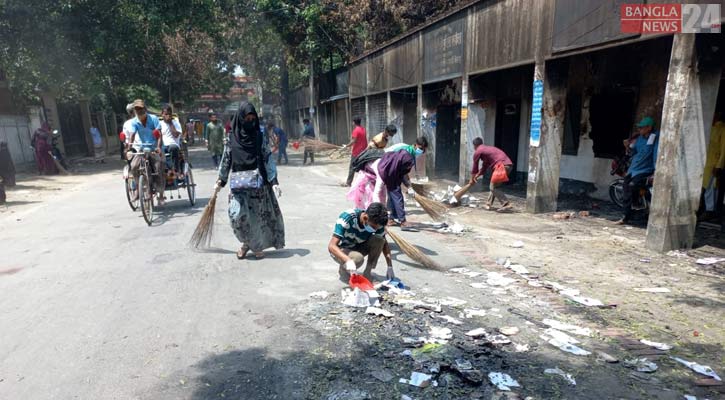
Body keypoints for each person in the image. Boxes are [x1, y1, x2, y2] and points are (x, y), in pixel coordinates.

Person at [217, 102, 285, 260]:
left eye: (252, 118)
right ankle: (248, 243)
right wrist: (221, 180)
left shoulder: (259, 136)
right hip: (238, 185)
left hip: (257, 185)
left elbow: (267, 157)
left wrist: (274, 181)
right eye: (247, 118)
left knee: (255, 219)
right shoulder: (231, 137)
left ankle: (254, 246)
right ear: (240, 118)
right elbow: (226, 159)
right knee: (237, 216)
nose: (250, 121)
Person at [328, 202, 395, 282]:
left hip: (359, 246)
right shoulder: (348, 217)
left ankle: (367, 273)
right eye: (373, 227)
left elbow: (384, 244)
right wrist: (347, 260)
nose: (375, 230)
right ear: (365, 218)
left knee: (379, 240)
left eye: (377, 228)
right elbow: (331, 246)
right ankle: (344, 271)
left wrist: (390, 266)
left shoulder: (377, 224)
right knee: (358, 259)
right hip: (342, 250)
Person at [616, 116, 659, 225]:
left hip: (645, 169)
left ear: (649, 128)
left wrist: (656, 170)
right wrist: (628, 147)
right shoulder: (640, 138)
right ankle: (625, 216)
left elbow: (656, 154)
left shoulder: (655, 137)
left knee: (632, 186)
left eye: (642, 128)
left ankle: (636, 208)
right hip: (633, 169)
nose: (639, 130)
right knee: (625, 189)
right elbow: (633, 152)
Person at [127, 99, 165, 205]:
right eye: (137, 109)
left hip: (155, 148)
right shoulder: (135, 121)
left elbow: (159, 135)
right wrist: (129, 147)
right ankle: (139, 190)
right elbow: (132, 135)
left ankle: (161, 195)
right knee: (134, 166)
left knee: (158, 168)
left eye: (141, 109)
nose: (139, 111)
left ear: (145, 109)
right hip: (143, 148)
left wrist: (158, 147)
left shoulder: (154, 119)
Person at [470, 138, 513, 211]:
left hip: (501, 166)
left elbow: (475, 167)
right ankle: (488, 204)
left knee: (492, 187)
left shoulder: (478, 151)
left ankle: (506, 204)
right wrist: (477, 175)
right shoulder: (487, 149)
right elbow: (484, 166)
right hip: (508, 166)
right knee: (494, 186)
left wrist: (471, 179)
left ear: (475, 145)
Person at [700, 111, 725, 221]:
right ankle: (703, 209)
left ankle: (710, 211)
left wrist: (719, 166)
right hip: (704, 162)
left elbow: (724, 149)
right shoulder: (710, 127)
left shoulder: (722, 129)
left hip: (713, 164)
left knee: (711, 188)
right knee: (704, 187)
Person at [160, 105, 183, 177]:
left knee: (173, 148)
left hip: (173, 144)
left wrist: (170, 123)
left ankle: (175, 170)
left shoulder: (175, 123)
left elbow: (176, 135)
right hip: (163, 145)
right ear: (162, 114)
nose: (168, 116)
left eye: (169, 114)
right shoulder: (159, 124)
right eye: (166, 114)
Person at [343, 117, 367, 186]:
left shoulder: (356, 130)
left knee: (352, 167)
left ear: (354, 122)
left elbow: (354, 141)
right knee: (362, 168)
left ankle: (348, 183)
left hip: (356, 152)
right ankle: (363, 183)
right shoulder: (363, 129)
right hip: (363, 151)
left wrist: (346, 146)